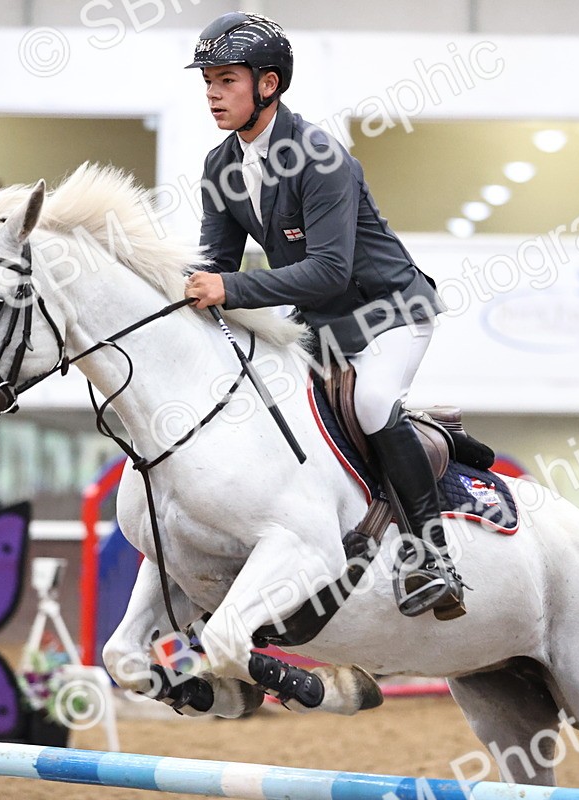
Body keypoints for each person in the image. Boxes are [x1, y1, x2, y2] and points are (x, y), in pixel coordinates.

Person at [182, 12, 465, 620]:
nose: (211, 92)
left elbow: (329, 270)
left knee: (368, 404)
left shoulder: (320, 156)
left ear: (268, 85)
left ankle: (432, 554)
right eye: (207, 79)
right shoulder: (219, 166)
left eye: (226, 79)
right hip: (321, 326)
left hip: (391, 311)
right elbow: (214, 263)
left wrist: (225, 286)